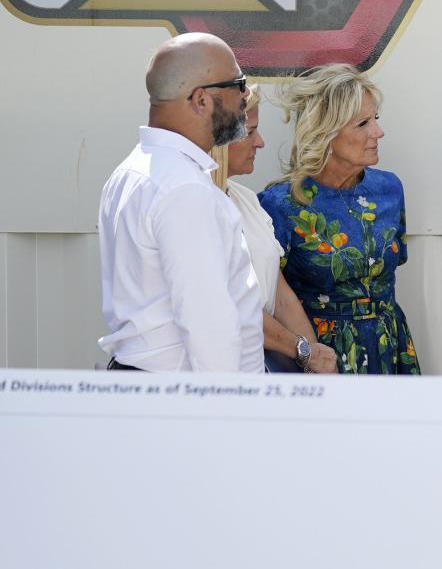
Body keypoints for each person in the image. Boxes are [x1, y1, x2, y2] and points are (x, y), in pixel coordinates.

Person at [98, 32, 263, 372]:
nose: (245, 95)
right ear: (201, 100)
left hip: (153, 389)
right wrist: (231, 414)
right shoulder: (184, 188)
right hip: (180, 399)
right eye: (238, 83)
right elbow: (209, 326)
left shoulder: (133, 170)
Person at [259, 64, 419, 375]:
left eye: (376, 119)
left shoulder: (389, 189)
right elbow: (272, 298)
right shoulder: (279, 205)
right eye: (362, 123)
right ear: (326, 133)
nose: (378, 132)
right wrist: (309, 356)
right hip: (320, 358)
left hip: (390, 348)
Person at [210, 89, 336, 374]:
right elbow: (234, 305)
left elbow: (279, 293)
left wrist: (316, 362)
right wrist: (301, 349)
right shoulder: (200, 204)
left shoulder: (246, 199)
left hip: (257, 368)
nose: (261, 142)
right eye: (250, 131)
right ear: (218, 139)